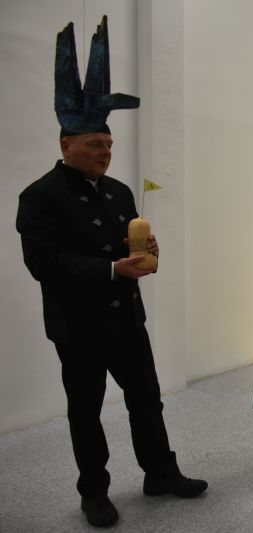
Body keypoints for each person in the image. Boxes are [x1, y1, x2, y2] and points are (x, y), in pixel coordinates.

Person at [16, 126, 208, 528]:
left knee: (147, 400)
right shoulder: (40, 196)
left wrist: (146, 252)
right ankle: (94, 492)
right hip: (79, 325)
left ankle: (160, 473)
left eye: (108, 145)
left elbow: (125, 247)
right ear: (65, 146)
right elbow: (43, 262)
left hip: (126, 319)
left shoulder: (120, 191)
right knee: (86, 412)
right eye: (94, 145)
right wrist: (111, 269)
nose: (105, 152)